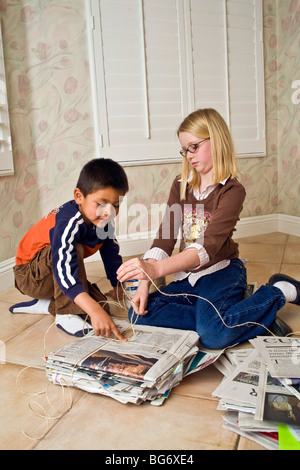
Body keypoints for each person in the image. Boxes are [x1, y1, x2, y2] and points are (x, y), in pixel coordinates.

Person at [117, 108, 300, 349]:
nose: (189, 155)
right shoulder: (180, 185)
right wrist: (144, 282)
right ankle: (241, 313)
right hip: (188, 278)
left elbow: (207, 247)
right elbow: (166, 235)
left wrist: (154, 267)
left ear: (217, 140)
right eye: (185, 150)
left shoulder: (232, 191)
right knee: (137, 315)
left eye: (194, 146)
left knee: (213, 336)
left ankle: (276, 292)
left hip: (222, 271)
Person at [10, 158, 128, 340]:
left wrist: (118, 285)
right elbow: (63, 267)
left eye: (116, 205)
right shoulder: (68, 223)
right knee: (88, 305)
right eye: (101, 204)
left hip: (52, 273)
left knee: (101, 307)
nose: (108, 212)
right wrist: (92, 309)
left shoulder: (104, 222)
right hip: (29, 276)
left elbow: (111, 253)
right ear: (79, 196)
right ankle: (65, 313)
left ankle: (46, 305)